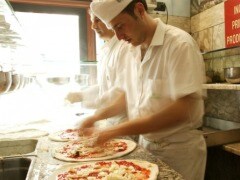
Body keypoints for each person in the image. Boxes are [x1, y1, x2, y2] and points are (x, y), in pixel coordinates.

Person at [79, 0, 207, 180]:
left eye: (120, 26)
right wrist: (96, 117)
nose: (119, 36)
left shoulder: (179, 44)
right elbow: (126, 95)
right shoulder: (132, 50)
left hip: (178, 152)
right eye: (113, 28)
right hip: (145, 145)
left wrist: (114, 131)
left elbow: (184, 110)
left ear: (139, 10)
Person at [66, 10, 136, 126]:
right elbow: (105, 87)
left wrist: (95, 112)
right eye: (92, 21)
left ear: (111, 20)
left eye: (97, 20)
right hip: (109, 120)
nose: (93, 26)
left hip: (123, 122)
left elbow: (123, 92)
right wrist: (81, 95)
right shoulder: (107, 50)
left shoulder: (125, 48)